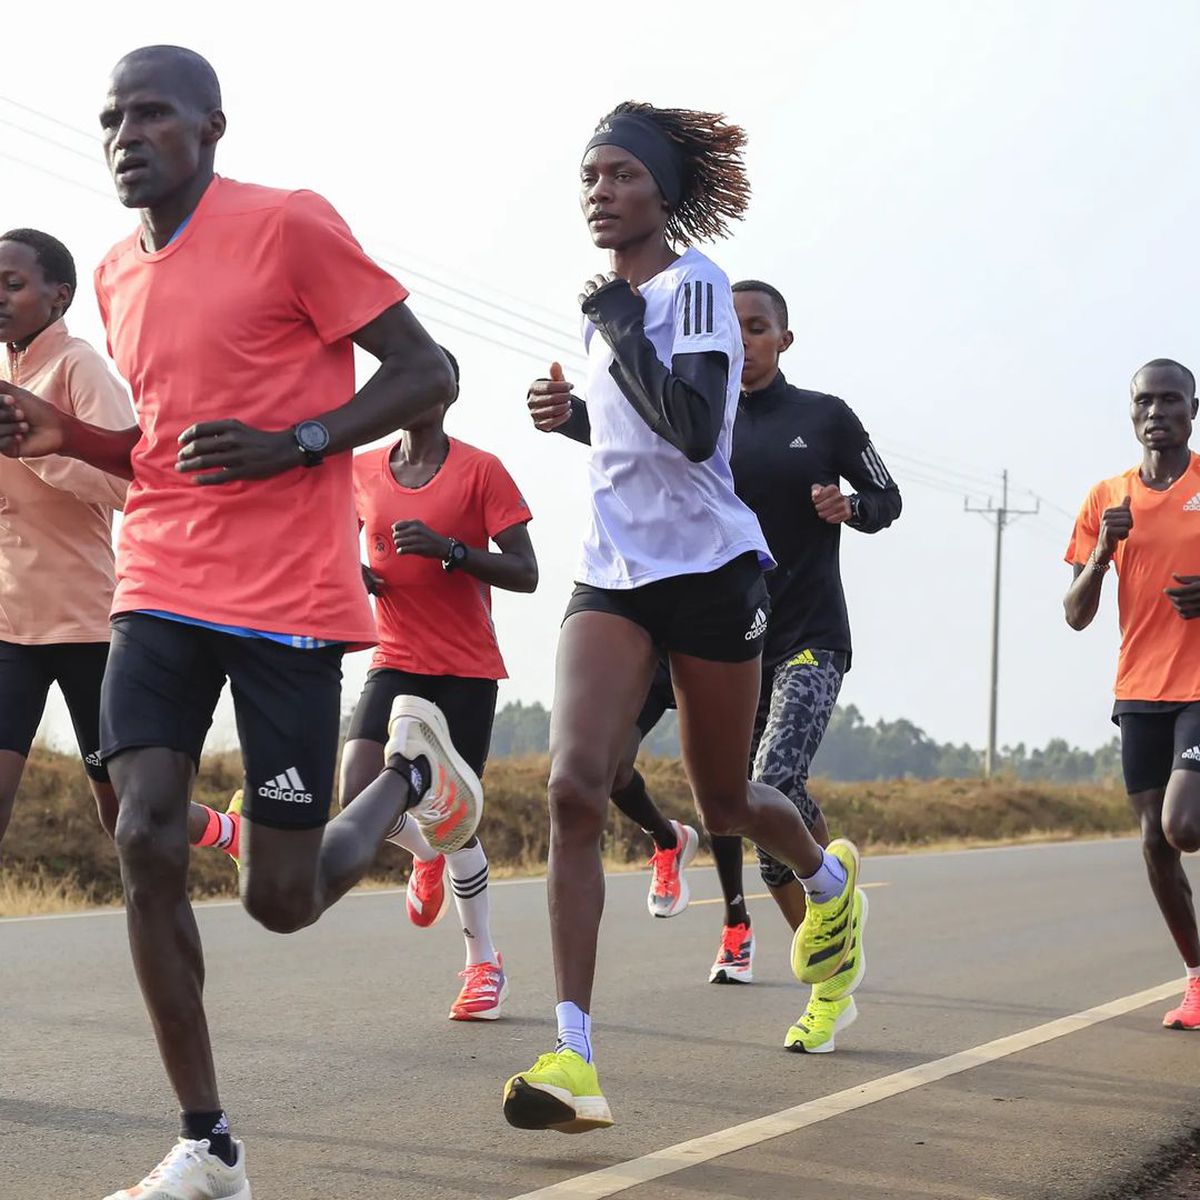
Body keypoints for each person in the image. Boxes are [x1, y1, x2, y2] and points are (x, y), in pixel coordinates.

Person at [0, 46, 482, 1200]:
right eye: (111, 118)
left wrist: (300, 442)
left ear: (211, 128)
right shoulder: (115, 270)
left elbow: (428, 371)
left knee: (281, 899)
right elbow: (160, 453)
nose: (126, 135)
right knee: (144, 835)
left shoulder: (288, 225)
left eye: (151, 114)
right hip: (158, 586)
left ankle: (410, 780)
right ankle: (208, 1142)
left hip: (285, 605)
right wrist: (69, 437)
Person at [507, 100, 866, 1134]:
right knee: (573, 787)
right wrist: (573, 416)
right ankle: (574, 1056)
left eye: (621, 174)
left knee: (725, 803)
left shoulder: (695, 285)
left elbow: (699, 426)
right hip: (612, 575)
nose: (601, 192)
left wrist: (623, 329)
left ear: (663, 192)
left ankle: (827, 881)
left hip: (711, 574)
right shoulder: (606, 310)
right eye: (590, 177)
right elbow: (638, 442)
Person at [605, 279, 901, 1052]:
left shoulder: (824, 417)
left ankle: (826, 976)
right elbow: (622, 444)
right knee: (744, 816)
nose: (743, 338)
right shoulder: (697, 416)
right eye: (731, 326)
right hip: (725, 641)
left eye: (759, 326)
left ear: (783, 339)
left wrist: (853, 507)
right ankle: (832, 944)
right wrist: (565, 413)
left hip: (808, 635)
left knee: (774, 781)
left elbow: (887, 495)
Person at [0, 227, 240, 863]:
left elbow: (131, 483)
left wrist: (40, 450)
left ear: (59, 296)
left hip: (86, 624)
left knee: (125, 814)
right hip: (9, 625)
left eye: (12, 285)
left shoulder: (78, 366)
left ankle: (226, 831)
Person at [343, 345, 537, 1021]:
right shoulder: (362, 469)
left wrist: (451, 551)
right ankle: (422, 851)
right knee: (357, 797)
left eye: (420, 379)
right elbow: (326, 541)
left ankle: (483, 963)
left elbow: (526, 572)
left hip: (465, 670)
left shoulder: (482, 471)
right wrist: (351, 572)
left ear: (447, 392)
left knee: (457, 823)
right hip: (394, 657)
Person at [1064, 357, 1200, 1033]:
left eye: (1170, 400)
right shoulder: (1106, 499)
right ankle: (1198, 980)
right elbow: (1075, 613)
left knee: (1184, 825)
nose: (1156, 412)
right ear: (1131, 411)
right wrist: (1102, 554)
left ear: (1192, 410)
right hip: (1139, 687)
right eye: (1144, 401)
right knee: (1154, 842)